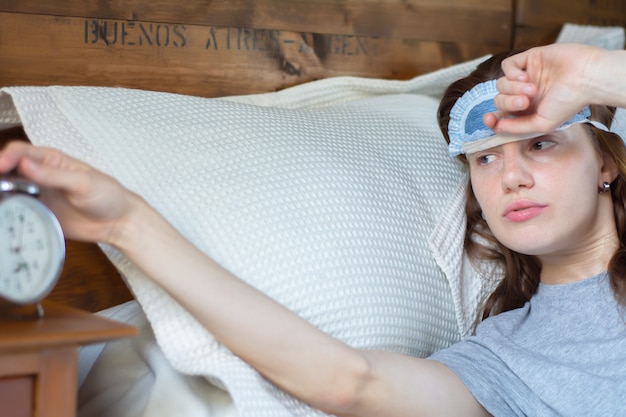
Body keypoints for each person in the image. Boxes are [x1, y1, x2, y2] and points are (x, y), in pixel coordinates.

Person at [1, 44, 625, 416]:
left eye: (540, 143)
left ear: (606, 160)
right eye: (486, 156)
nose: (509, 176)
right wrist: (128, 222)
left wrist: (597, 74)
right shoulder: (510, 356)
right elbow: (348, 381)